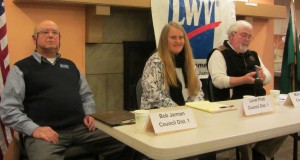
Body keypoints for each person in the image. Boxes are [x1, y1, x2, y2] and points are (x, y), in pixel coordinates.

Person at [0, 20, 128, 160]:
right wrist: (34, 129)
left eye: (55, 33)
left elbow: (87, 97)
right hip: (46, 132)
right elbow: (8, 109)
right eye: (45, 32)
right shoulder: (21, 69)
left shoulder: (71, 66)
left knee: (127, 142)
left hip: (82, 128)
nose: (51, 36)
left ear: (59, 38)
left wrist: (89, 114)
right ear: (34, 38)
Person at [207, 20, 287, 160]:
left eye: (250, 36)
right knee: (244, 133)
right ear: (232, 35)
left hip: (258, 104)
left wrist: (263, 77)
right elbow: (218, 81)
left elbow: (267, 77)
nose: (247, 39)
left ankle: (261, 152)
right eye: (244, 35)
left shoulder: (253, 54)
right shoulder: (219, 54)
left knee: (284, 125)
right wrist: (242, 80)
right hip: (233, 107)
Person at [140, 22, 215, 160]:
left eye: (181, 37)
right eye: (173, 37)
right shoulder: (155, 61)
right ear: (164, 40)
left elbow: (198, 90)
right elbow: (153, 95)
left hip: (187, 114)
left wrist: (191, 108)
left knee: (209, 143)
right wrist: (179, 110)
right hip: (162, 117)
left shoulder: (189, 61)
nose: (178, 41)